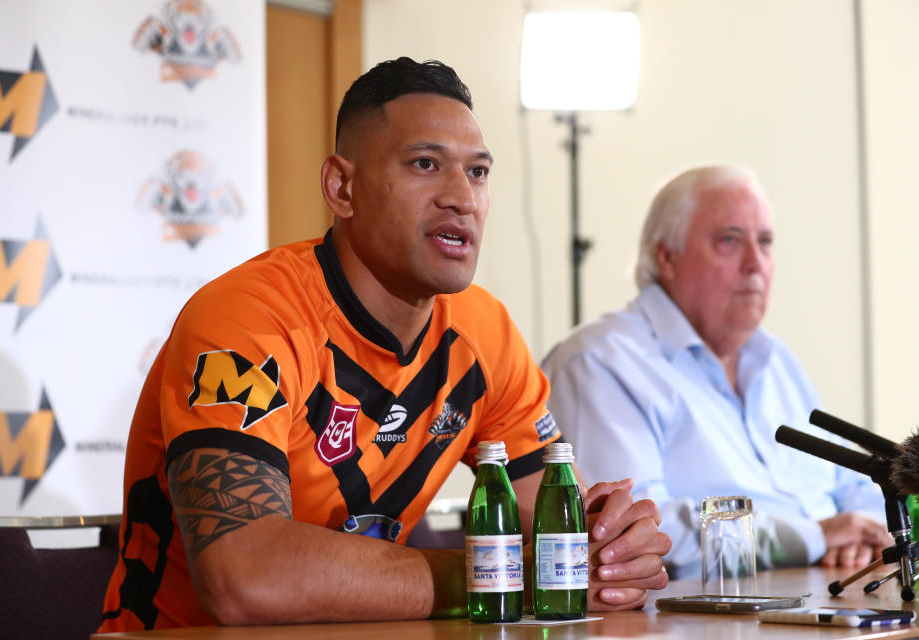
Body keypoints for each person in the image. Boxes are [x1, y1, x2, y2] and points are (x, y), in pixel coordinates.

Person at [99, 57, 670, 631]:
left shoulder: (486, 333)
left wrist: (609, 554)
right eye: (426, 164)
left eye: (477, 173)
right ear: (341, 187)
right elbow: (245, 578)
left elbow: (551, 537)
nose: (462, 199)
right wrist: (496, 574)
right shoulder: (248, 320)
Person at [541, 165, 889, 580]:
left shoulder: (775, 357)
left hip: (834, 589)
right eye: (730, 240)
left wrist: (862, 534)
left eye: (765, 242)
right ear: (666, 257)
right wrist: (814, 536)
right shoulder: (599, 360)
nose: (755, 263)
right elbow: (635, 536)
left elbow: (858, 486)